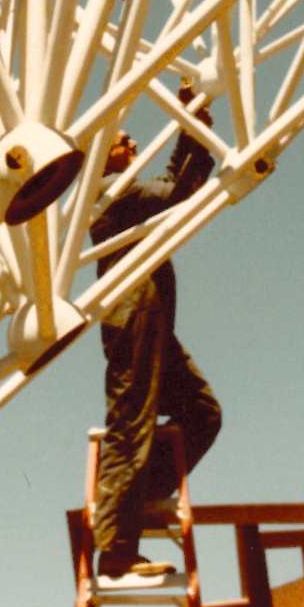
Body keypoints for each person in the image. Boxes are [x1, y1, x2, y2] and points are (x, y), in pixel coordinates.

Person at [88, 88, 223, 580]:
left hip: (152, 321)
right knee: (131, 426)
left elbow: (175, 187)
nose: (133, 142)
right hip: (135, 319)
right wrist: (192, 128)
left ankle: (138, 501)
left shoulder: (121, 196)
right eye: (124, 141)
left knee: (202, 413)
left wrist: (193, 127)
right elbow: (176, 193)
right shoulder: (113, 193)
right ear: (102, 157)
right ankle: (117, 550)